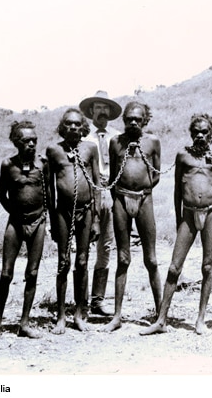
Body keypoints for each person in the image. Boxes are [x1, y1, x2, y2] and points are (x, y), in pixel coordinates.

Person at [140, 114, 212, 336]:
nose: (200, 135)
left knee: (207, 266)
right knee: (174, 267)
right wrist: (179, 219)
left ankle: (201, 320)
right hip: (188, 215)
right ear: (190, 133)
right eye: (196, 131)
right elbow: (178, 190)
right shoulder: (183, 156)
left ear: (211, 135)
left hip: (210, 213)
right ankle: (161, 320)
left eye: (204, 132)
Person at [0, 121, 50, 340]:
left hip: (38, 221)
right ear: (16, 142)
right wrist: (17, 215)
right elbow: (2, 196)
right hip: (15, 223)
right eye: (26, 141)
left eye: (34, 140)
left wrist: (43, 219)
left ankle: (24, 323)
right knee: (6, 273)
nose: (31, 144)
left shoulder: (43, 164)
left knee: (32, 273)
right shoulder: (7, 165)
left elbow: (49, 195)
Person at [101, 101, 163, 332]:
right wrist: (122, 194)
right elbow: (113, 177)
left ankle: (160, 315)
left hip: (145, 199)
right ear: (124, 120)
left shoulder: (153, 142)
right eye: (129, 119)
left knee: (152, 259)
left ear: (145, 120)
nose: (133, 123)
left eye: (138, 119)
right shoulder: (116, 142)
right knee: (123, 258)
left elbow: (156, 174)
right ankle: (117, 317)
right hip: (120, 199)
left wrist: (142, 190)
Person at [46, 108, 102, 334]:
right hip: (62, 212)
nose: (73, 128)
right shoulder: (53, 150)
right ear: (62, 126)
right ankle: (61, 315)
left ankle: (79, 313)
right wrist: (51, 218)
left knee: (82, 261)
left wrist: (97, 218)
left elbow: (97, 184)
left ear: (83, 127)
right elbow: (49, 189)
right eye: (68, 124)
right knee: (63, 262)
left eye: (77, 124)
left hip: (87, 211)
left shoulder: (90, 148)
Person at [80, 91, 123, 316]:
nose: (102, 112)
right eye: (98, 107)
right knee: (84, 245)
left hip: (111, 191)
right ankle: (81, 302)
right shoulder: (82, 135)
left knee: (106, 246)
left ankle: (98, 299)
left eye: (106, 108)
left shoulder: (117, 137)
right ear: (91, 111)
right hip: (89, 191)